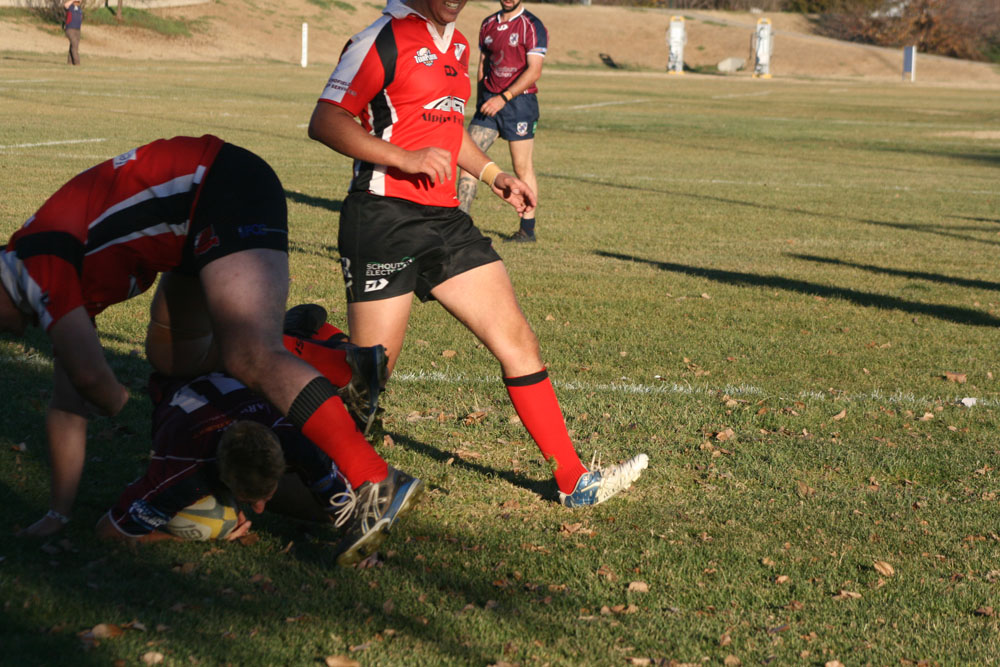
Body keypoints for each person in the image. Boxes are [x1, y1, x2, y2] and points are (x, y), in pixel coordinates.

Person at [0, 135, 422, 565]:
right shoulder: (43, 270)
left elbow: (95, 383)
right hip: (189, 219)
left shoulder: (37, 265)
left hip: (216, 187)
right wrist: (57, 514)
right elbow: (68, 405)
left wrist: (113, 399)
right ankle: (330, 359)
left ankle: (375, 480)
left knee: (250, 353)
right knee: (173, 356)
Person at [307, 0, 647, 509]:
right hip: (383, 219)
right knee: (368, 379)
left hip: (447, 223)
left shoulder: (461, 44)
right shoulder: (381, 38)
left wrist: (494, 175)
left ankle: (573, 479)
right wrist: (404, 158)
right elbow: (326, 120)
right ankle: (298, 352)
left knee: (517, 340)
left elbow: (448, 130)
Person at [97, 371, 358, 555]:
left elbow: (348, 510)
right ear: (221, 477)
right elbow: (109, 532)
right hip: (178, 373)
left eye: (266, 494)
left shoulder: (296, 442)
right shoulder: (180, 472)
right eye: (249, 499)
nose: (259, 510)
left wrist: (359, 543)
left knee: (324, 510)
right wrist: (182, 538)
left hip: (223, 377)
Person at [456, 0, 548, 243]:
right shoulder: (488, 24)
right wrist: (481, 100)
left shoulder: (532, 25)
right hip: (489, 104)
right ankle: (460, 225)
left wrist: (504, 97)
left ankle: (527, 230)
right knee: (468, 161)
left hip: (519, 104)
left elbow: (534, 71)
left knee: (522, 167)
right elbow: (483, 65)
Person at [63, 0, 82, 66]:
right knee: (74, 45)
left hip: (77, 30)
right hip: (70, 29)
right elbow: (65, 5)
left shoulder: (79, 8)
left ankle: (70, 62)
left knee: (73, 45)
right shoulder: (70, 7)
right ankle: (77, 63)